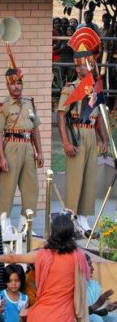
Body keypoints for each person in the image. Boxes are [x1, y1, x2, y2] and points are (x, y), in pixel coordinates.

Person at [0, 213, 91, 322]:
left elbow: (13, 258)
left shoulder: (43, 254)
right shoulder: (78, 256)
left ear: (53, 232)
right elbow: (81, 289)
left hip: (40, 315)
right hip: (63, 316)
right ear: (71, 233)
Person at [57, 27, 108, 234]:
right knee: (75, 178)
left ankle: (84, 219)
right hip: (76, 133)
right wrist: (66, 142)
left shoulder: (95, 87)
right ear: (78, 67)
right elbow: (61, 115)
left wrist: (104, 138)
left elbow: (99, 116)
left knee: (89, 178)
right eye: (85, 63)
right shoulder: (71, 88)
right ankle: (71, 218)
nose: (89, 66)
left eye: (90, 62)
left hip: (90, 134)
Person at [0, 44, 44, 232]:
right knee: (8, 188)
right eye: (13, 83)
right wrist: (1, 156)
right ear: (7, 85)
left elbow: (35, 129)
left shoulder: (29, 103)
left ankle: (26, 223)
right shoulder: (2, 105)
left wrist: (39, 152)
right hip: (11, 146)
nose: (17, 87)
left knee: (31, 187)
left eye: (19, 83)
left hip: (28, 147)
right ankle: (3, 223)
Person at [85, 253, 117, 321]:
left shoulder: (93, 285)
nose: (93, 269)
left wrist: (106, 309)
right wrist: (96, 305)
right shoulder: (68, 289)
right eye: (89, 265)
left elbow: (96, 312)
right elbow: (76, 314)